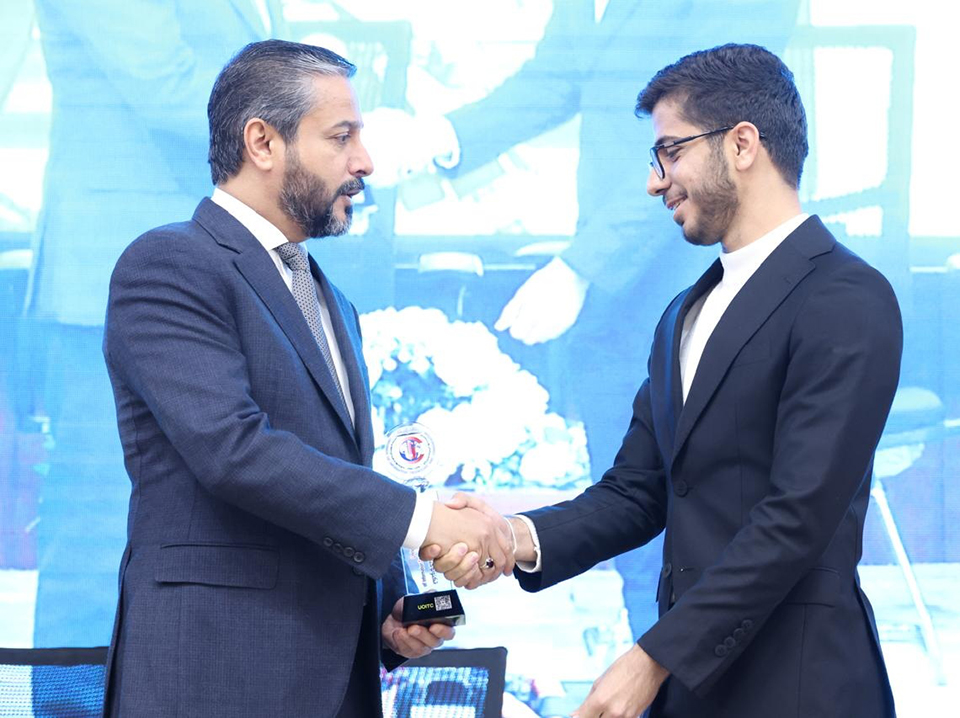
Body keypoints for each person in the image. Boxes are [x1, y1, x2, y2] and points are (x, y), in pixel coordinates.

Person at [433, 43, 902, 717]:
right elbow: (636, 492)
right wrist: (514, 537)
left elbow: (796, 519)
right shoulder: (683, 313)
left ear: (742, 144)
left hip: (801, 687)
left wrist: (652, 658)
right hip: (691, 691)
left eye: (670, 152)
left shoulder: (846, 296)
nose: (657, 183)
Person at [102, 40, 511, 718]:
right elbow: (235, 451)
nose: (365, 162)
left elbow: (331, 474)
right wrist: (421, 520)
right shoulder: (170, 264)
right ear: (262, 142)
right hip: (211, 683)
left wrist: (388, 612)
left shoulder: (332, 302)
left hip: (332, 684)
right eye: (341, 137)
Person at [413, 0, 799, 637]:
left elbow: (711, 139)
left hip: (707, 276)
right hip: (619, 298)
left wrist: (580, 267)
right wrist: (439, 138)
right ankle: (656, 670)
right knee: (641, 531)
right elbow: (556, 77)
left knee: (711, 534)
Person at [24, 0, 285, 649]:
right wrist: (307, 129)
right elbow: (162, 82)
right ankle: (72, 695)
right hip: (111, 276)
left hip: (199, 268)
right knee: (99, 523)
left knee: (192, 525)